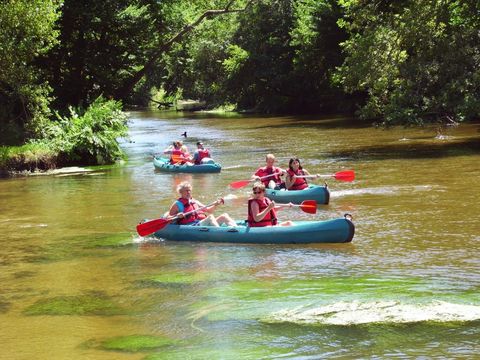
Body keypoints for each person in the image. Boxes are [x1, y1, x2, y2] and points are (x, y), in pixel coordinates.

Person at [166, 181, 237, 227]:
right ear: (181, 192)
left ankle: (237, 229)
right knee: (210, 217)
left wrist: (216, 204)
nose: (188, 192)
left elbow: (209, 210)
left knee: (224, 216)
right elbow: (168, 218)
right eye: (186, 191)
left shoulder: (195, 201)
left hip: (201, 223)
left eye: (189, 190)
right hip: (192, 226)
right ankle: (220, 233)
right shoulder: (177, 204)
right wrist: (177, 215)